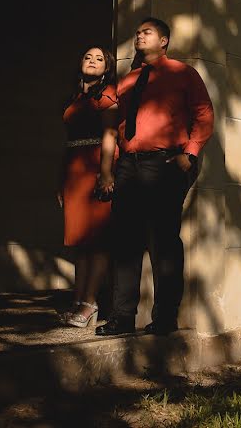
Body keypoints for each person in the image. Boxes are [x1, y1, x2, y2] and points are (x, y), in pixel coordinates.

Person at [95, 17, 214, 336]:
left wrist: (189, 155)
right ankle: (122, 317)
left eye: (146, 32)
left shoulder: (183, 73)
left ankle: (165, 318)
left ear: (164, 41)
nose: (139, 36)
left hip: (165, 164)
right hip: (128, 167)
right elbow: (114, 125)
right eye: (137, 33)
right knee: (125, 243)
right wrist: (111, 169)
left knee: (163, 242)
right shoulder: (127, 80)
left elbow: (204, 114)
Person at [58, 46, 119, 328]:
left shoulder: (106, 95)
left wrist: (106, 173)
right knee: (79, 241)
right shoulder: (75, 98)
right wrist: (62, 181)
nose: (92, 61)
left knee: (97, 241)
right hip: (74, 170)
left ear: (106, 68)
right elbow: (67, 144)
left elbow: (110, 134)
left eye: (99, 59)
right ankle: (77, 300)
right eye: (87, 57)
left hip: (96, 167)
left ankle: (91, 302)